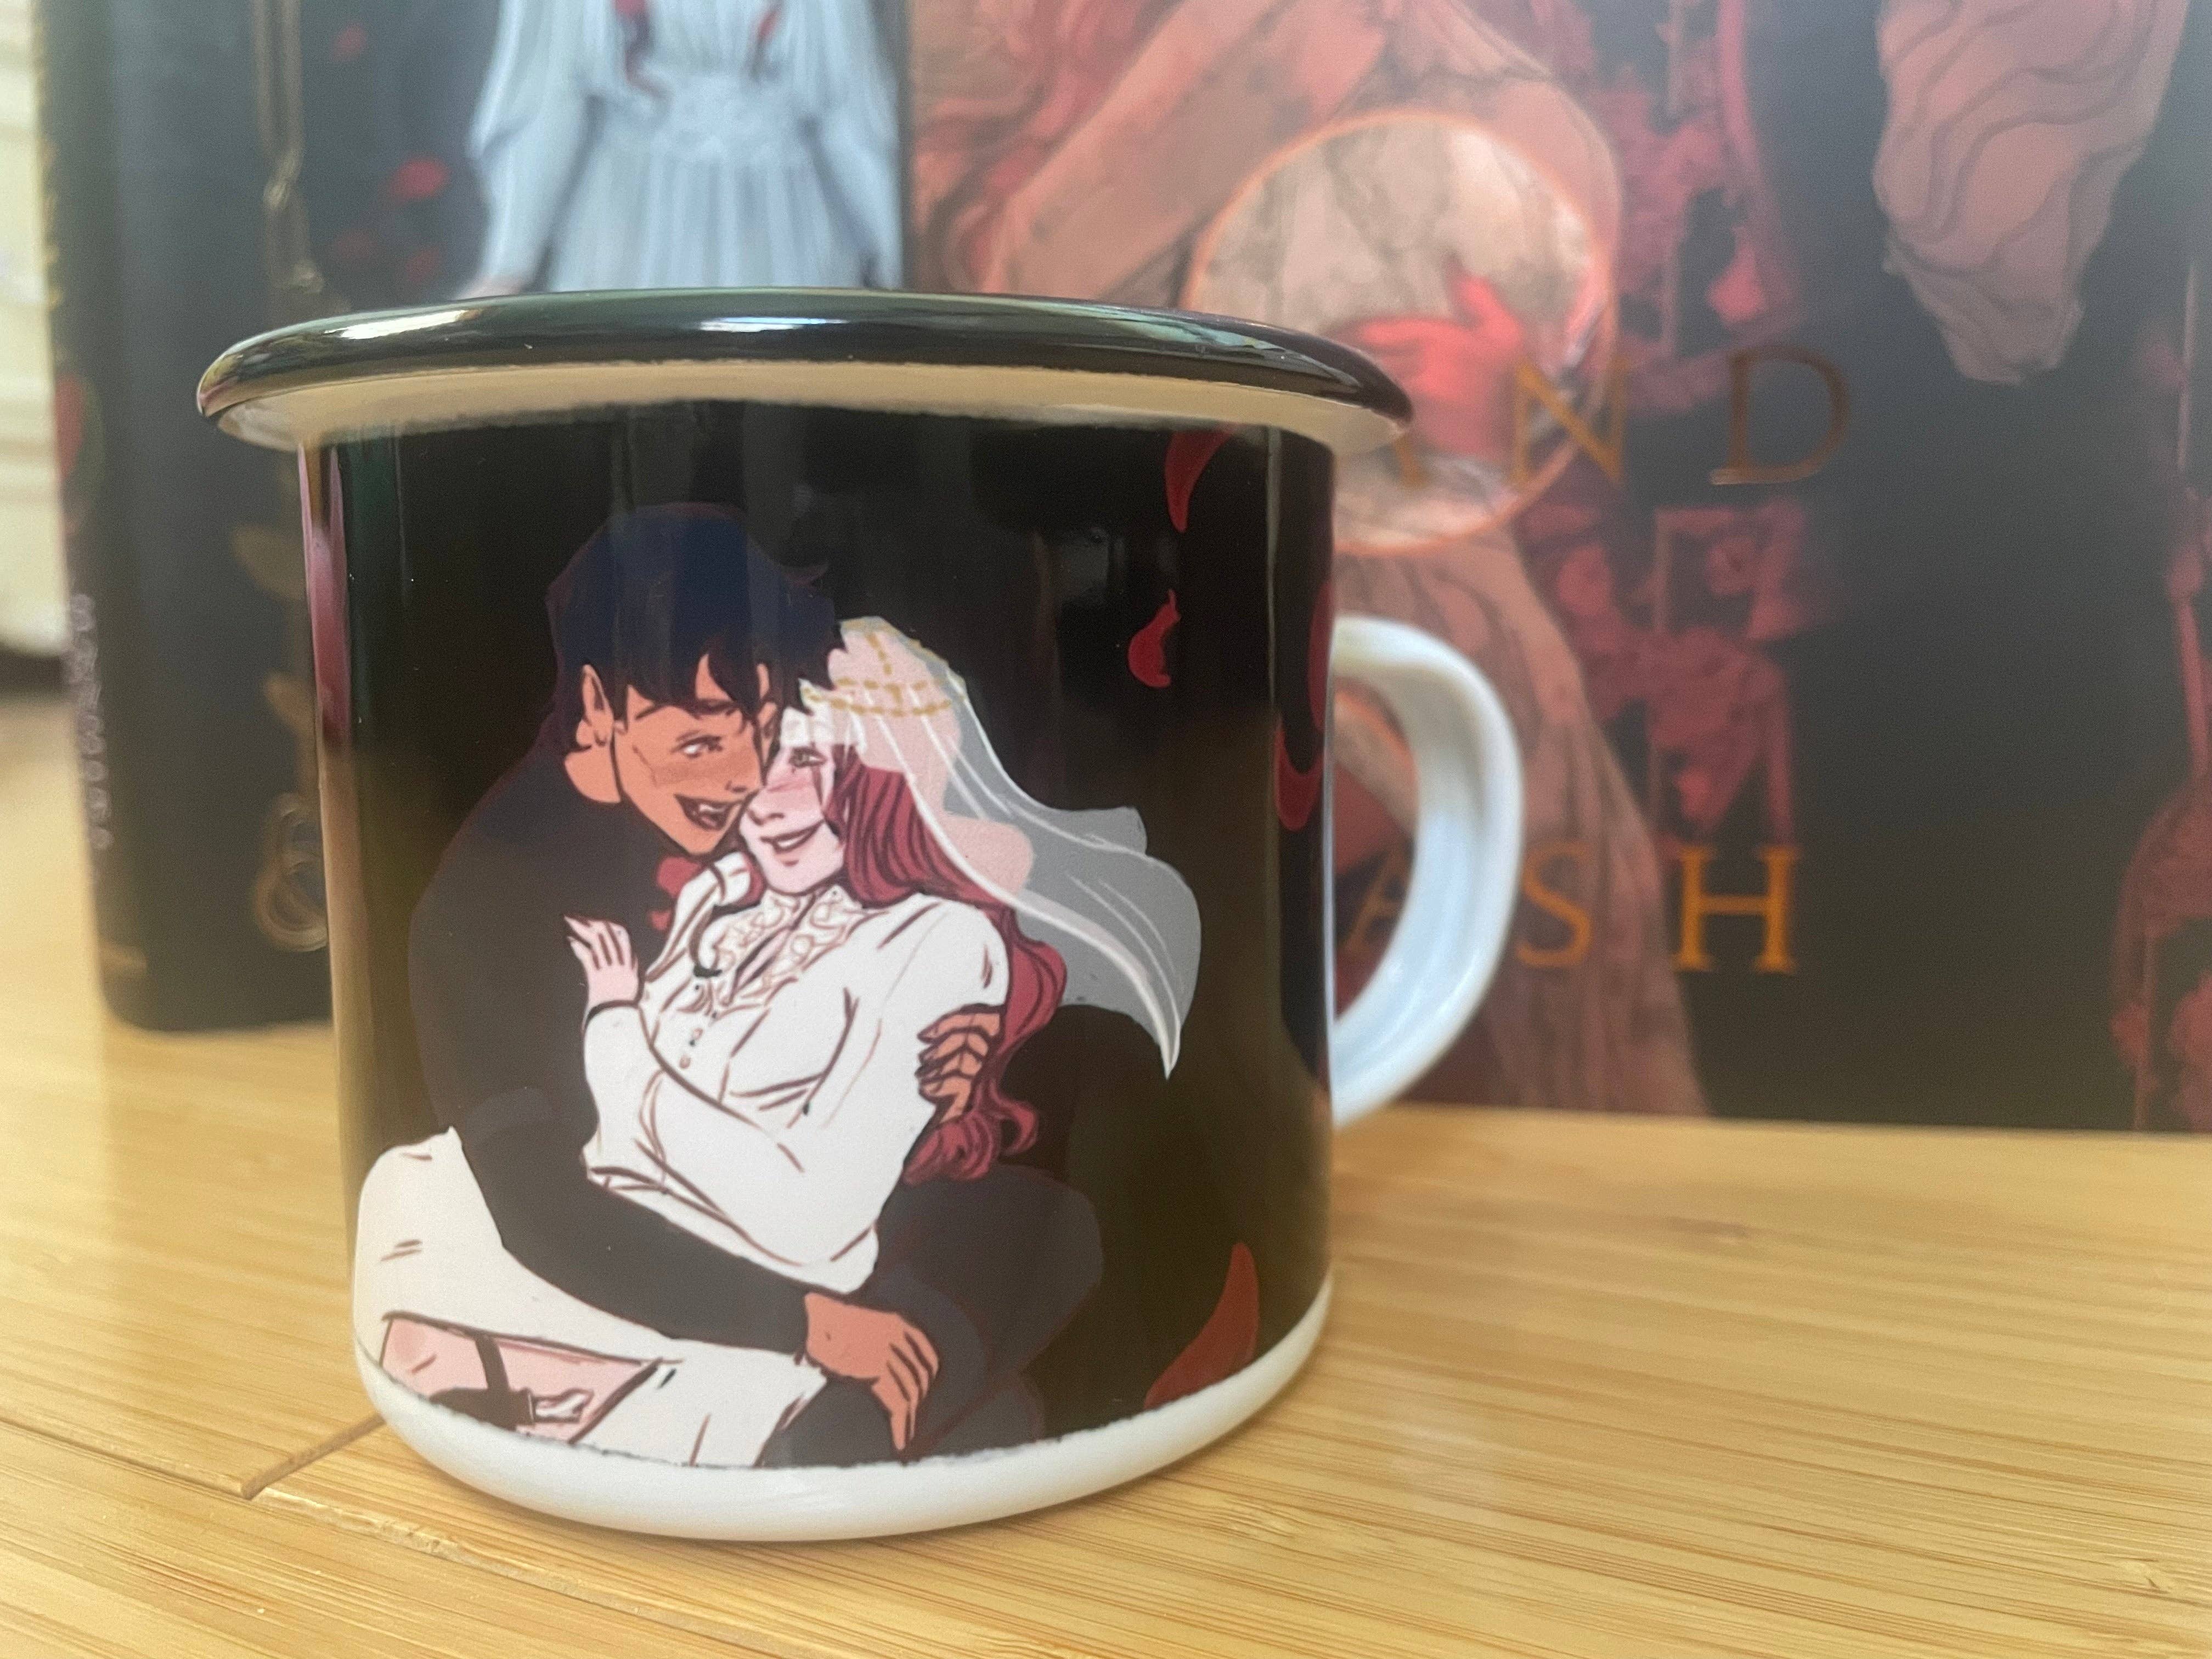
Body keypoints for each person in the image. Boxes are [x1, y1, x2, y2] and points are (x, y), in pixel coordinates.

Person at [362, 507, 1099, 1464]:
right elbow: (546, 1212)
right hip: (608, 1254)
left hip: (757, 1234)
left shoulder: (754, 859)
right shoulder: (490, 912)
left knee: (1050, 1225)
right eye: (704, 742)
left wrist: (961, 1078)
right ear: (598, 705)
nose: (749, 778)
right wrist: (811, 1325)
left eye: (768, 728)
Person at [535, 620, 1199, 1465]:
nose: (768, 797)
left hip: (743, 1313)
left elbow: (806, 1211)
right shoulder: (718, 894)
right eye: (757, 755)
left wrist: (616, 1030)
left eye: (809, 761)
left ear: (879, 778)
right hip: (610, 1266)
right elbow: (601, 1149)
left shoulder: (939, 943)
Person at [462, 0, 902, 296]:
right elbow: (550, 95)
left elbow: (848, 107)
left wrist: (903, 263)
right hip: (628, 220)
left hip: (781, 225)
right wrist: (508, 263)